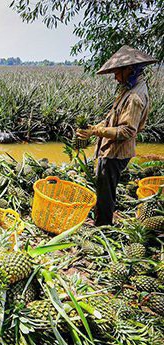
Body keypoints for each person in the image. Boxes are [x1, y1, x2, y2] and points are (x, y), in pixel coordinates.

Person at [76, 45, 158, 226]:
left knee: (106, 191)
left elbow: (127, 131)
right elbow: (113, 118)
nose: (115, 77)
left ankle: (103, 226)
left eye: (116, 72)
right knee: (104, 188)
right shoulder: (129, 89)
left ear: (129, 69)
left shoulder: (135, 96)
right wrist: (94, 127)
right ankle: (101, 220)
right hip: (112, 149)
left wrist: (95, 132)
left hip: (117, 152)